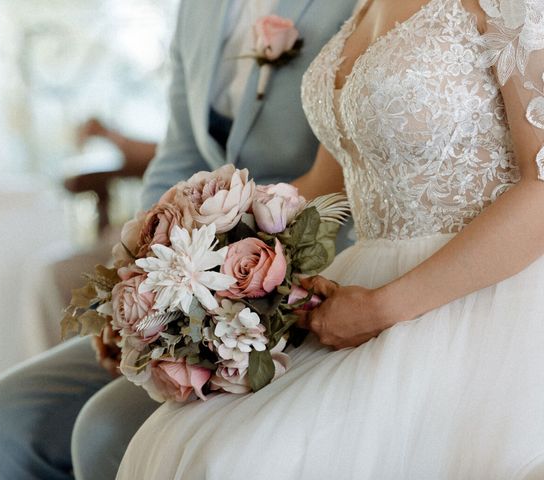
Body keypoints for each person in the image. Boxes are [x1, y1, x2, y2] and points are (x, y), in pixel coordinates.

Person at [116, 0, 544, 478]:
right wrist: (196, 253)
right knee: (175, 441)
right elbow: (332, 175)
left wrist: (383, 308)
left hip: (475, 300)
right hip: (360, 283)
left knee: (233, 462)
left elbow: (542, 189)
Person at [0, 1, 357, 478]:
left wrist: (219, 275)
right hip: (188, 281)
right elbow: (178, 156)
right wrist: (133, 289)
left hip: (308, 277)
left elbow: (352, 168)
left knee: (106, 432)